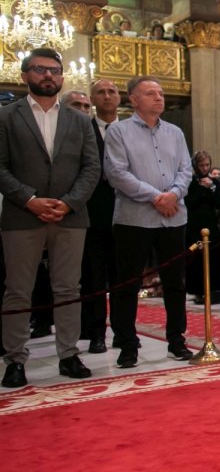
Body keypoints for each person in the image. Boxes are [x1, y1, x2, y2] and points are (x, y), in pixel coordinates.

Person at [0, 48, 101, 388]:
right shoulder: (6, 116)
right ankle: (15, 359)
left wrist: (68, 203)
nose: (48, 75)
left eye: (55, 70)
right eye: (40, 69)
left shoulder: (80, 120)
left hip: (69, 216)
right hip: (22, 215)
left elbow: (91, 167)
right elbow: (0, 167)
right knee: (18, 289)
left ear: (62, 77)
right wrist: (29, 200)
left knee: (68, 288)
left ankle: (69, 354)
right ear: (25, 75)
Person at [105, 76, 193, 367]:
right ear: (133, 99)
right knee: (127, 284)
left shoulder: (175, 132)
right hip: (135, 219)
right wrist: (157, 197)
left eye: (161, 93)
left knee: (175, 283)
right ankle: (128, 345)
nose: (159, 98)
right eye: (150, 93)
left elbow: (186, 170)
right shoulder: (118, 131)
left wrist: (174, 195)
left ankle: (177, 340)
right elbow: (117, 174)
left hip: (173, 217)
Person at [79, 78, 120, 354]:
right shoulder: (83, 129)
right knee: (94, 277)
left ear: (119, 97)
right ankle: (96, 333)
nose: (107, 96)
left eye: (111, 91)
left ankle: (123, 331)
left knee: (123, 277)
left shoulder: (130, 130)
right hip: (93, 211)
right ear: (93, 99)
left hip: (126, 211)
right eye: (100, 92)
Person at [184, 150, 220, 303]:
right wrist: (201, 188)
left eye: (207, 165)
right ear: (196, 165)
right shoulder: (190, 182)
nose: (205, 168)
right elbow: (189, 203)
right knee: (196, 259)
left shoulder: (215, 182)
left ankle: (214, 290)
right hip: (194, 224)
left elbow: (218, 203)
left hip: (211, 224)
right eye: (201, 165)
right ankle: (197, 290)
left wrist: (210, 188)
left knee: (213, 258)